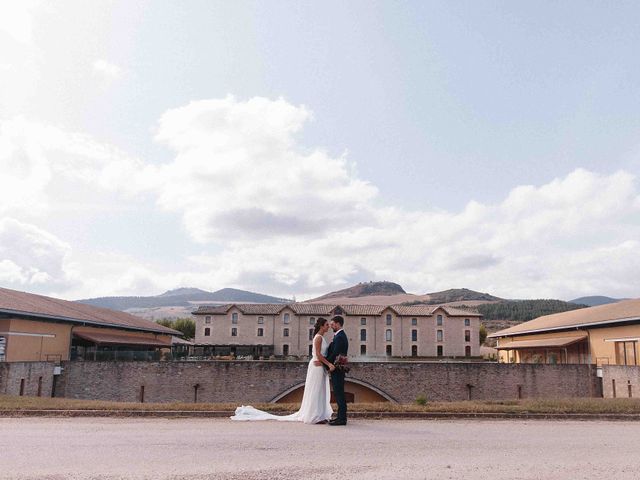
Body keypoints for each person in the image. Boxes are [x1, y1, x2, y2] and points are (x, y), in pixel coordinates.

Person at [230, 317, 334, 424]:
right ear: (321, 326)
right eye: (326, 325)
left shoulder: (321, 337)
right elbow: (318, 354)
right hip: (317, 366)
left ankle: (319, 414)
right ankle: (314, 416)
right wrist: (328, 364)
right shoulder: (319, 338)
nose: (328, 327)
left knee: (319, 390)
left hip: (319, 365)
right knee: (315, 390)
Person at [325, 315, 349, 426]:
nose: (331, 326)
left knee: (339, 393)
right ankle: (340, 417)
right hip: (338, 368)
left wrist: (326, 364)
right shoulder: (339, 335)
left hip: (338, 368)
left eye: (333, 324)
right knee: (339, 393)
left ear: (338, 324)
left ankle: (342, 419)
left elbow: (335, 353)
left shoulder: (339, 336)